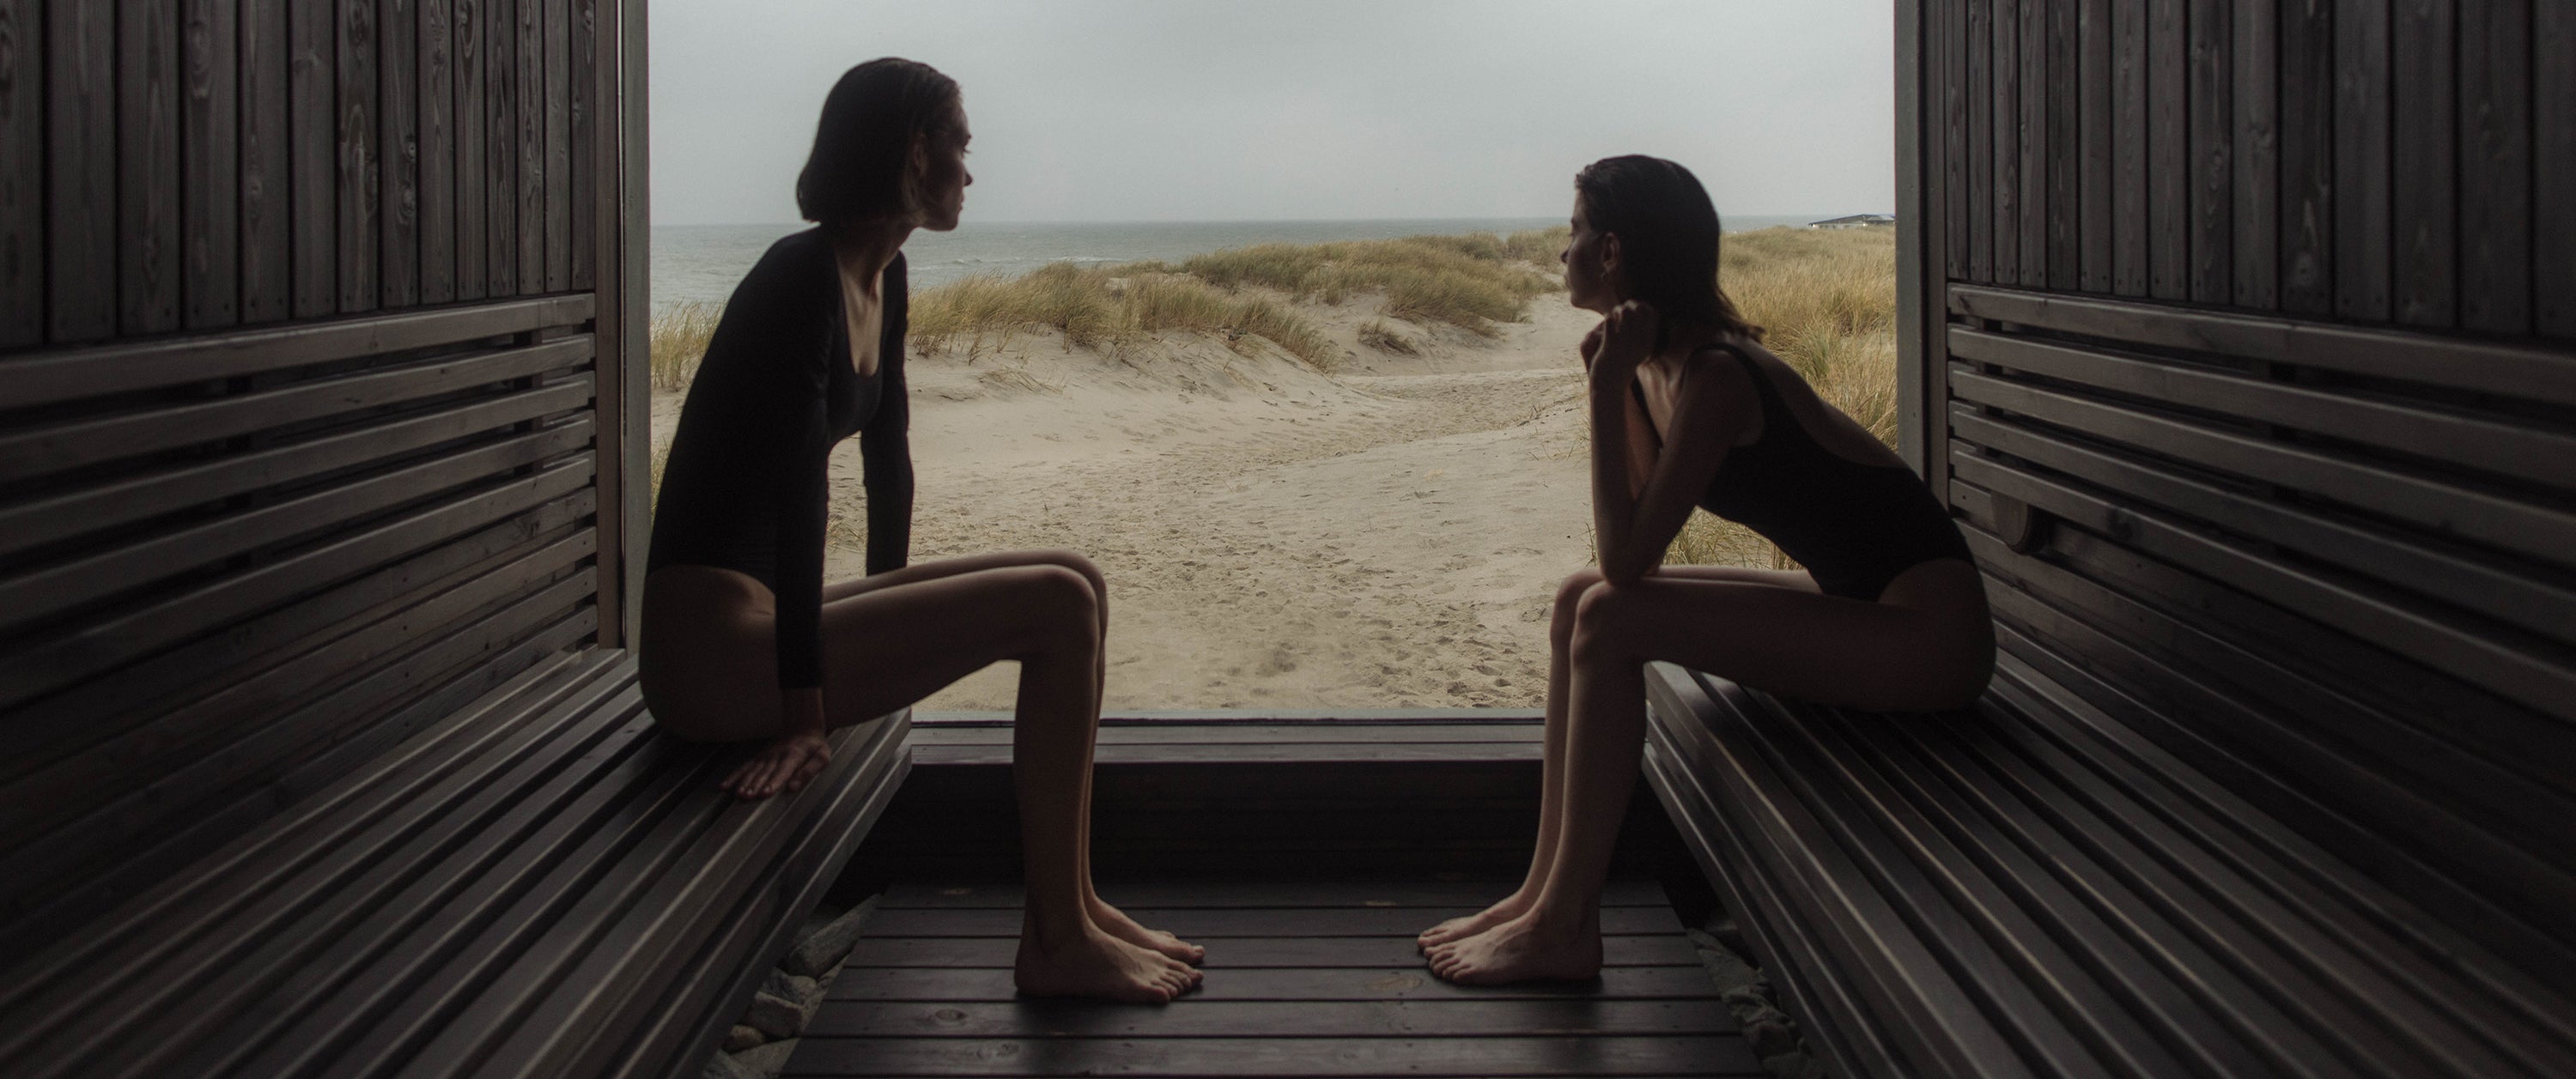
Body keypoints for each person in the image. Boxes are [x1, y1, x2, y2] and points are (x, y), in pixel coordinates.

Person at [639, 58, 1201, 1003]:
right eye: (961, 146)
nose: (970, 172)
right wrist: (808, 714)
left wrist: (893, 611)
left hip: (766, 615)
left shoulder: (881, 275)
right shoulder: (798, 278)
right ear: (914, 151)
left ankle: (1080, 903)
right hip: (705, 653)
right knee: (1057, 606)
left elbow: (885, 462)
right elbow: (800, 493)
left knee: (1078, 577)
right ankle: (1055, 943)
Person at [1419, 155, 1994, 985]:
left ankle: (1567, 925)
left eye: (1574, 231)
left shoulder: (1716, 376)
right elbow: (1617, 550)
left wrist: (1606, 380)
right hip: (1863, 603)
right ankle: (1538, 894)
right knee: (1578, 597)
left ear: (1613, 251)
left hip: (1930, 635)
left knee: (1611, 614)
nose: (1563, 251)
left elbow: (1630, 556)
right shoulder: (1659, 367)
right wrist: (1614, 381)